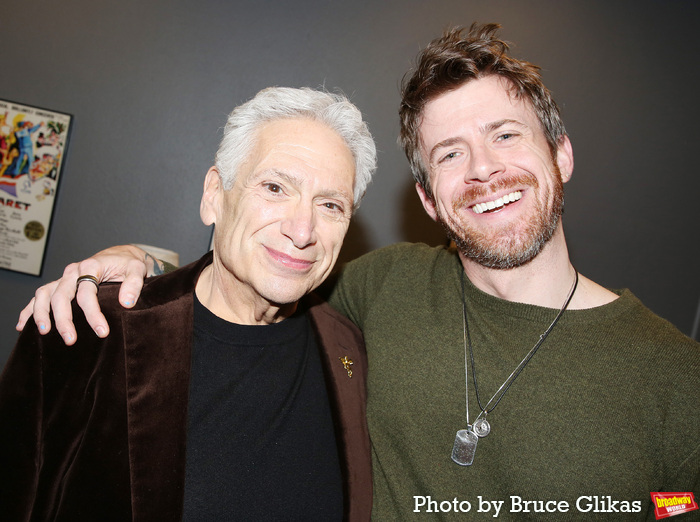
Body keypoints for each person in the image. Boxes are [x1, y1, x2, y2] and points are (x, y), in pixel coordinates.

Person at [15, 24, 700, 520]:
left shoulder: (675, 378)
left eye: (506, 135)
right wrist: (134, 263)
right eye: (451, 153)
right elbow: (256, 268)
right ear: (428, 198)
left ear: (562, 156)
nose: (484, 170)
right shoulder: (387, 288)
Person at [1, 86, 377, 521]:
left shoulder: (350, 348)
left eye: (330, 205)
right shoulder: (86, 326)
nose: (302, 229)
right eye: (275, 187)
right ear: (214, 194)